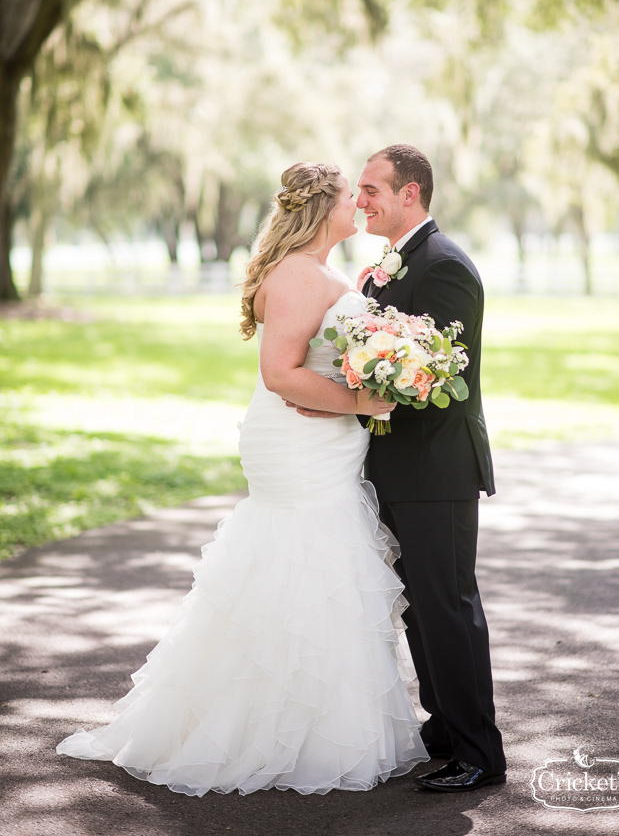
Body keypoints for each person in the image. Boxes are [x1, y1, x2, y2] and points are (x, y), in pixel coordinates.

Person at [56, 162, 429, 796]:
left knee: (320, 562)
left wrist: (382, 374)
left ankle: (313, 722)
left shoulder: (325, 273)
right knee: (305, 556)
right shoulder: (295, 276)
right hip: (298, 438)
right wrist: (366, 404)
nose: (359, 205)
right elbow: (281, 373)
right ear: (323, 210)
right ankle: (265, 732)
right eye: (350, 196)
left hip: (325, 438)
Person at [295, 144, 506, 793]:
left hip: (437, 469)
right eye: (357, 191)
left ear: (409, 193)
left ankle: (479, 754)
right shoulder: (390, 266)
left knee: (448, 605)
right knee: (420, 608)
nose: (360, 201)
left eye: (371, 190)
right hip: (399, 468)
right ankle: (444, 730)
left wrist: (356, 396)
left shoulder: (444, 267)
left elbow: (437, 373)